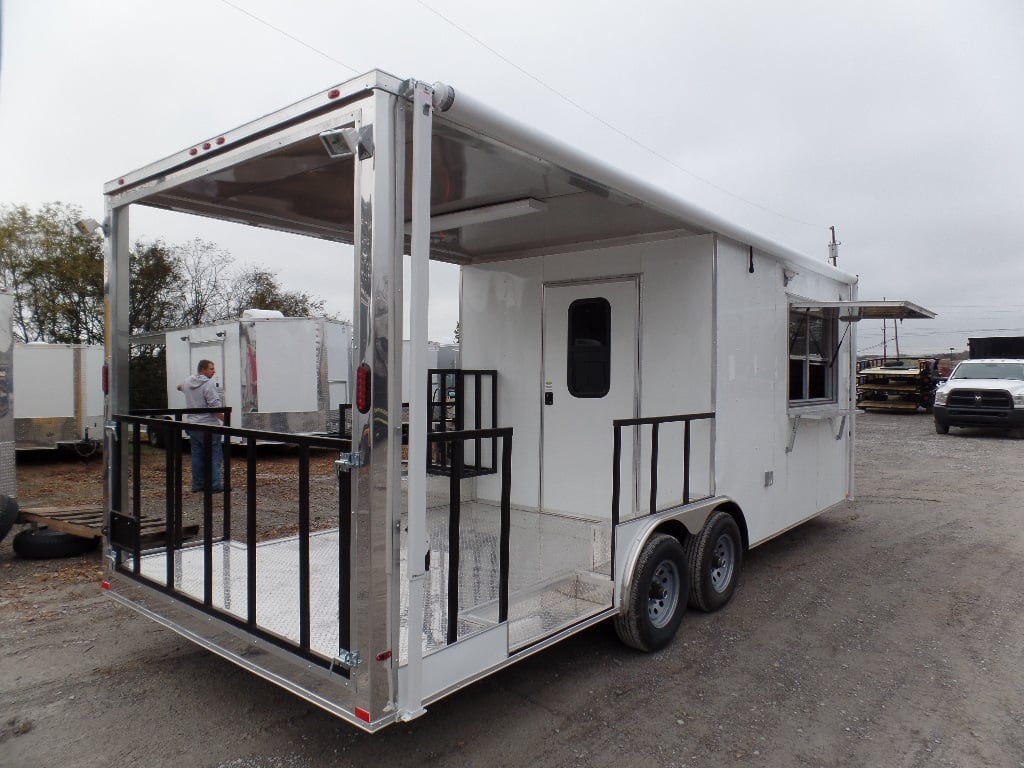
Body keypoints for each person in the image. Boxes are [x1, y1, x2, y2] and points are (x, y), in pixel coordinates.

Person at [178, 359, 224, 493]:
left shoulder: (187, 382)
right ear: (203, 370)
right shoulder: (208, 384)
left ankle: (197, 485)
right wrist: (226, 421)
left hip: (193, 426)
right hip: (208, 426)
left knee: (197, 457)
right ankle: (215, 485)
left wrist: (181, 388)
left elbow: (179, 387)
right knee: (214, 456)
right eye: (211, 369)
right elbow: (214, 406)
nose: (214, 371)